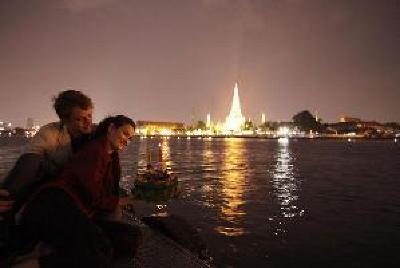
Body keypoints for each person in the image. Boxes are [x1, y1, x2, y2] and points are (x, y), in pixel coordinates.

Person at [20, 115, 139, 267]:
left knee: (131, 238)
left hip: (80, 209)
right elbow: (94, 197)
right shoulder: (94, 152)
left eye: (130, 139)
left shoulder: (111, 156)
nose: (127, 141)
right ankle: (29, 264)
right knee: (96, 254)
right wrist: (126, 200)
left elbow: (108, 193)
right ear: (111, 128)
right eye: (125, 134)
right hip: (55, 204)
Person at [0, 90, 94, 266]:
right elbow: (30, 159)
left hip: (68, 188)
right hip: (43, 181)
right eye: (80, 119)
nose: (87, 122)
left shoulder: (94, 136)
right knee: (29, 166)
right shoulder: (49, 132)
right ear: (65, 120)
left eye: (89, 115)